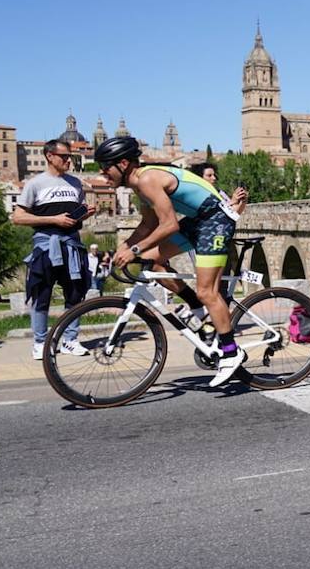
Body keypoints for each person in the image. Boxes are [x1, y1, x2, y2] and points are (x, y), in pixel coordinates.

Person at [96, 137, 245, 385]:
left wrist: (133, 248)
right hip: (198, 220)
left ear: (123, 164)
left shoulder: (147, 179)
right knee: (151, 261)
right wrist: (122, 249)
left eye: (105, 167)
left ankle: (231, 352)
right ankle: (196, 307)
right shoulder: (139, 186)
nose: (102, 174)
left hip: (216, 220)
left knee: (208, 291)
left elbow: (169, 224)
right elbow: (148, 224)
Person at [11, 139, 96, 361]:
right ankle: (40, 342)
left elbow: (73, 217)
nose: (68, 160)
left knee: (75, 293)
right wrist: (53, 219)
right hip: (45, 244)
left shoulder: (76, 184)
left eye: (70, 156)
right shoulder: (35, 184)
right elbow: (18, 217)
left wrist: (84, 214)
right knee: (42, 293)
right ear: (50, 156)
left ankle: (70, 339)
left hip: (72, 244)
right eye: (64, 156)